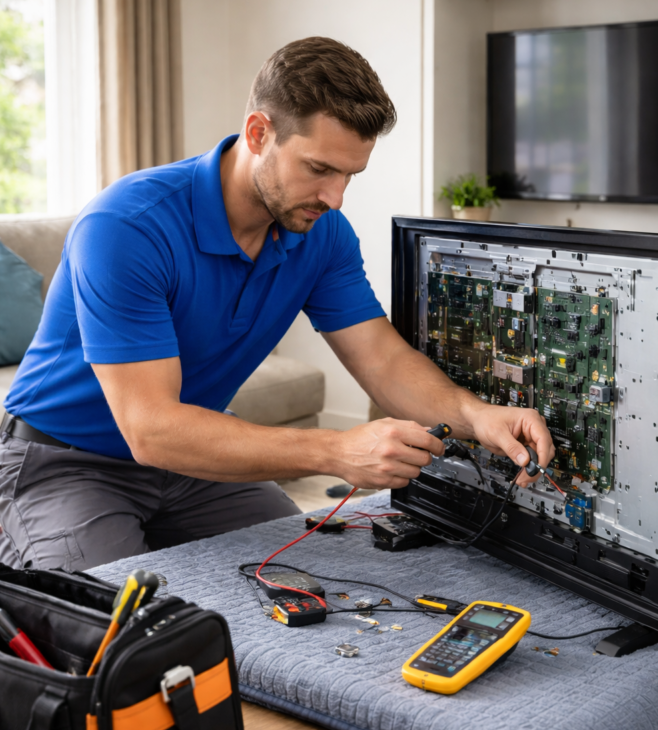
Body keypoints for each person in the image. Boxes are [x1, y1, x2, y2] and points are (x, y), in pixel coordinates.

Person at [0, 37, 554, 572]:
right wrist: (336, 452)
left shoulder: (323, 232)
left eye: (349, 175)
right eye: (319, 169)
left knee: (304, 576)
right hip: (65, 461)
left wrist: (476, 417)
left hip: (194, 466)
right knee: (112, 637)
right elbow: (151, 429)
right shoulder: (128, 226)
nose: (335, 199)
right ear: (259, 132)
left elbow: (382, 359)